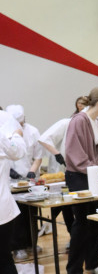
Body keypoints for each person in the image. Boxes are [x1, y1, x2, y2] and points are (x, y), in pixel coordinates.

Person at [64, 87, 98, 274]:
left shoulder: (96, 123)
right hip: (78, 177)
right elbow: (74, 154)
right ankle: (73, 269)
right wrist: (97, 168)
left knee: (95, 221)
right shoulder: (78, 120)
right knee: (81, 223)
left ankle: (93, 262)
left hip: (91, 175)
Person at [6, 104, 44, 262]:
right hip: (10, 181)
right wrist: (9, 171)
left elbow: (38, 156)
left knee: (31, 213)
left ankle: (31, 243)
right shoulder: (5, 132)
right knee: (16, 216)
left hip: (29, 180)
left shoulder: (33, 132)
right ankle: (17, 247)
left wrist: (31, 172)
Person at [0, 109, 26, 274]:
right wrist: (17, 134)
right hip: (2, 209)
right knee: (4, 259)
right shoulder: (3, 124)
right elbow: (17, 152)